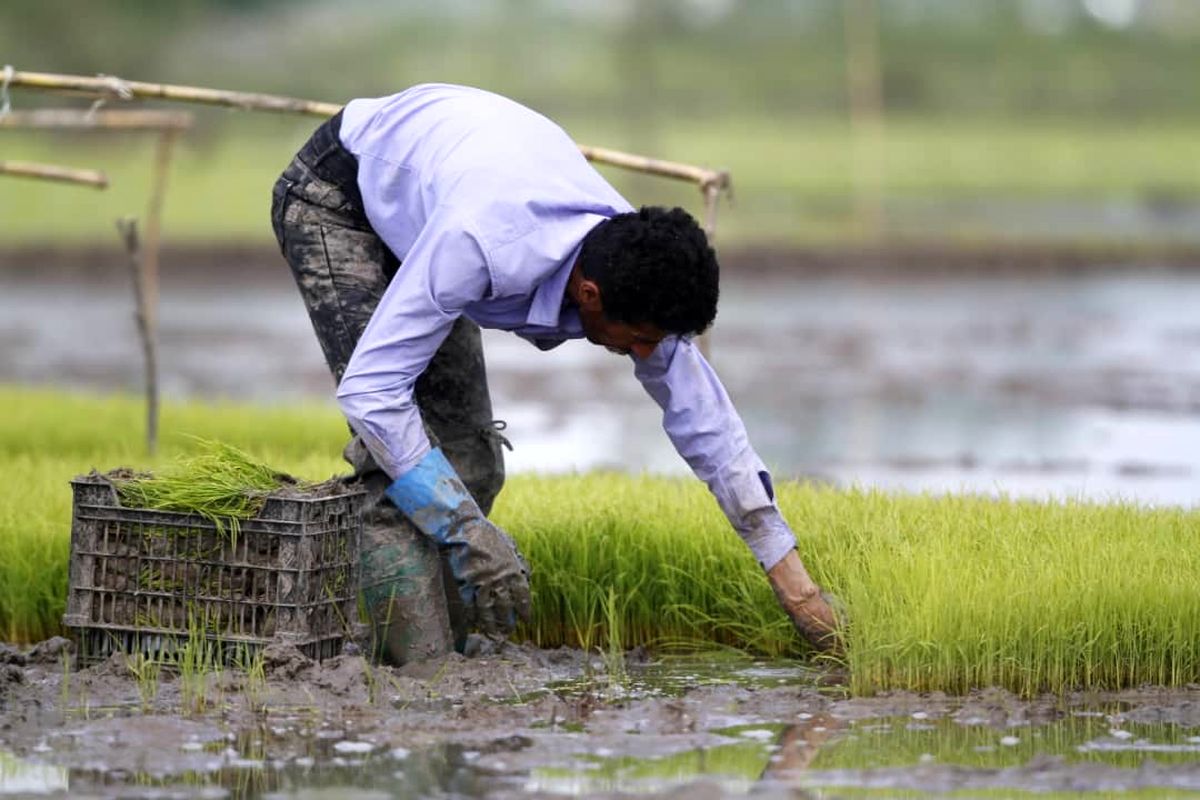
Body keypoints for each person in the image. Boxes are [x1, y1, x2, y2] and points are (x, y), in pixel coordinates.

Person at [270, 83, 843, 664]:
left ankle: (441, 653)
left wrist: (798, 591)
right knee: (387, 473)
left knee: (472, 461)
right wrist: (465, 530)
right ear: (589, 295)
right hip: (339, 197)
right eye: (639, 340)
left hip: (437, 202)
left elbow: (709, 428)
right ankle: (424, 677)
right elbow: (373, 394)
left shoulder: (631, 261)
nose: (645, 355)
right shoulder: (483, 246)